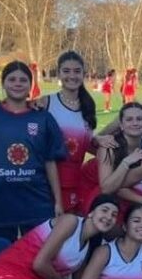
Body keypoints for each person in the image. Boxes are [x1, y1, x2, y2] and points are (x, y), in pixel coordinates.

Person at [0, 61, 66, 242]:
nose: (17, 84)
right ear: (3, 83)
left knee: (37, 255)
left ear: (30, 85)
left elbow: (50, 161)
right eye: (12, 79)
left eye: (23, 80)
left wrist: (58, 201)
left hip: (36, 205)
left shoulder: (42, 117)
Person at [40, 51, 100, 214]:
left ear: (83, 74)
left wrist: (101, 141)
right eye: (66, 71)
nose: (72, 76)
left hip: (74, 181)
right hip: (46, 182)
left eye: (77, 71)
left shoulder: (88, 105)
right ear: (59, 73)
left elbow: (85, 143)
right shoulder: (45, 102)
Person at [76, 102, 142, 215]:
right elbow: (106, 189)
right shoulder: (109, 145)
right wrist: (126, 162)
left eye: (139, 119)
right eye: (129, 119)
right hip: (92, 187)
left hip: (118, 189)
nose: (135, 123)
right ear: (121, 125)